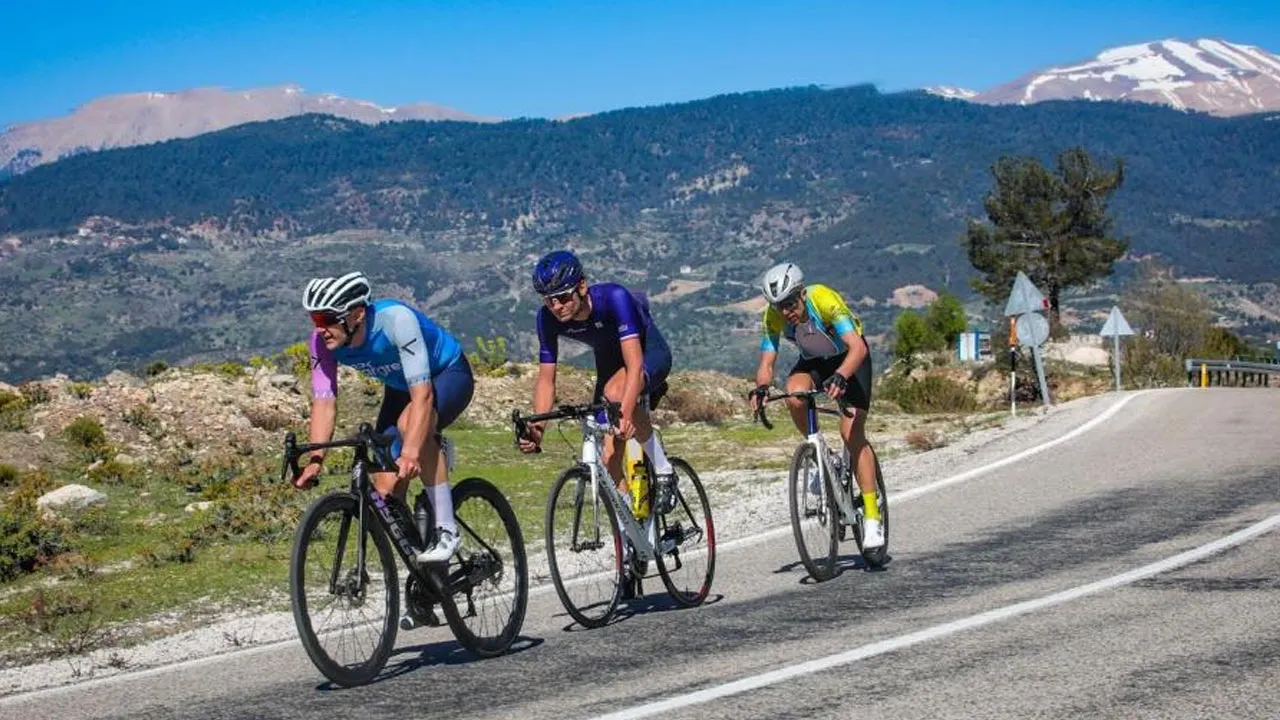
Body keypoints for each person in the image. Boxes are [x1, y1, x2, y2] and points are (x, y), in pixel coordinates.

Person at [292, 271, 475, 565]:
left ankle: (447, 531)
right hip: (401, 386)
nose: (320, 329)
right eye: (315, 320)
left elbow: (423, 397)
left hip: (446, 374)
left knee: (410, 428)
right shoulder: (321, 343)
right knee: (385, 491)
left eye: (327, 319)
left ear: (357, 315)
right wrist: (316, 460)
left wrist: (413, 450)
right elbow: (324, 404)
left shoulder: (396, 321)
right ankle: (426, 577)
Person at [515, 250, 677, 512]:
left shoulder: (614, 298)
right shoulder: (546, 319)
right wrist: (538, 427)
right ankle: (632, 536)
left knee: (616, 394)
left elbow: (635, 365)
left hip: (647, 353)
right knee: (609, 459)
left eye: (563, 297)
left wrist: (624, 414)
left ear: (582, 286)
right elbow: (546, 381)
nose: (556, 307)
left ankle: (664, 470)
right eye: (549, 301)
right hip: (610, 363)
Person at [747, 262, 884, 549]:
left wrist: (842, 376)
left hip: (850, 360)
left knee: (852, 433)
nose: (786, 311)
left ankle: (872, 517)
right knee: (795, 395)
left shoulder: (823, 299)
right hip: (815, 362)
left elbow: (857, 347)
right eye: (778, 305)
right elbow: (767, 361)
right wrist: (760, 387)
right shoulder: (773, 317)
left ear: (802, 295)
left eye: (789, 303)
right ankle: (825, 457)